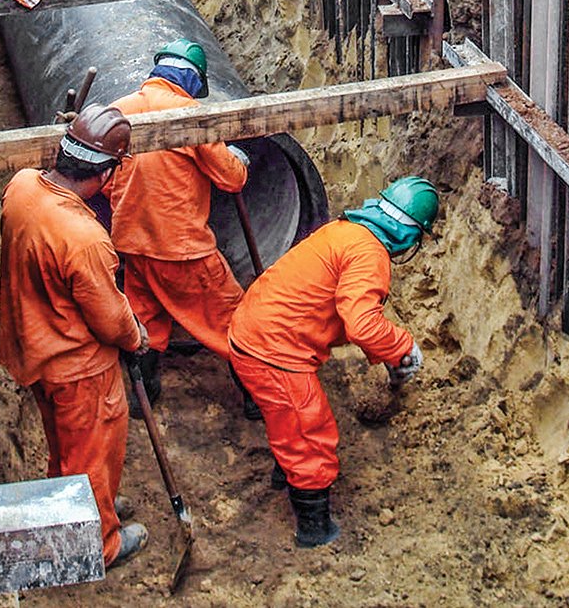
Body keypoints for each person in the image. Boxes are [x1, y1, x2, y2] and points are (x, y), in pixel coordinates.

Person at [227, 176, 440, 547]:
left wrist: (382, 352)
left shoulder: (343, 231)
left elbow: (342, 311)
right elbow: (361, 322)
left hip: (250, 330)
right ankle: (314, 529)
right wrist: (402, 347)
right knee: (309, 433)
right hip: (273, 353)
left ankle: (285, 471)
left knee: (288, 421)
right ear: (411, 235)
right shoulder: (370, 255)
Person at [0, 104, 149, 568]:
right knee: (92, 454)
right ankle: (99, 544)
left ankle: (78, 512)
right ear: (104, 175)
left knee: (65, 449)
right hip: (78, 368)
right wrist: (136, 336)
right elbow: (109, 318)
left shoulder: (22, 186)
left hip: (32, 347)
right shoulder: (84, 237)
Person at [105, 37, 255, 419]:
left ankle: (142, 396)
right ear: (192, 83)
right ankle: (257, 397)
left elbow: (102, 177)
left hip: (133, 244)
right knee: (234, 321)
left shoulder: (118, 110)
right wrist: (238, 157)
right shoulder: (191, 116)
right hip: (184, 250)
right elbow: (231, 179)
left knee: (147, 317)